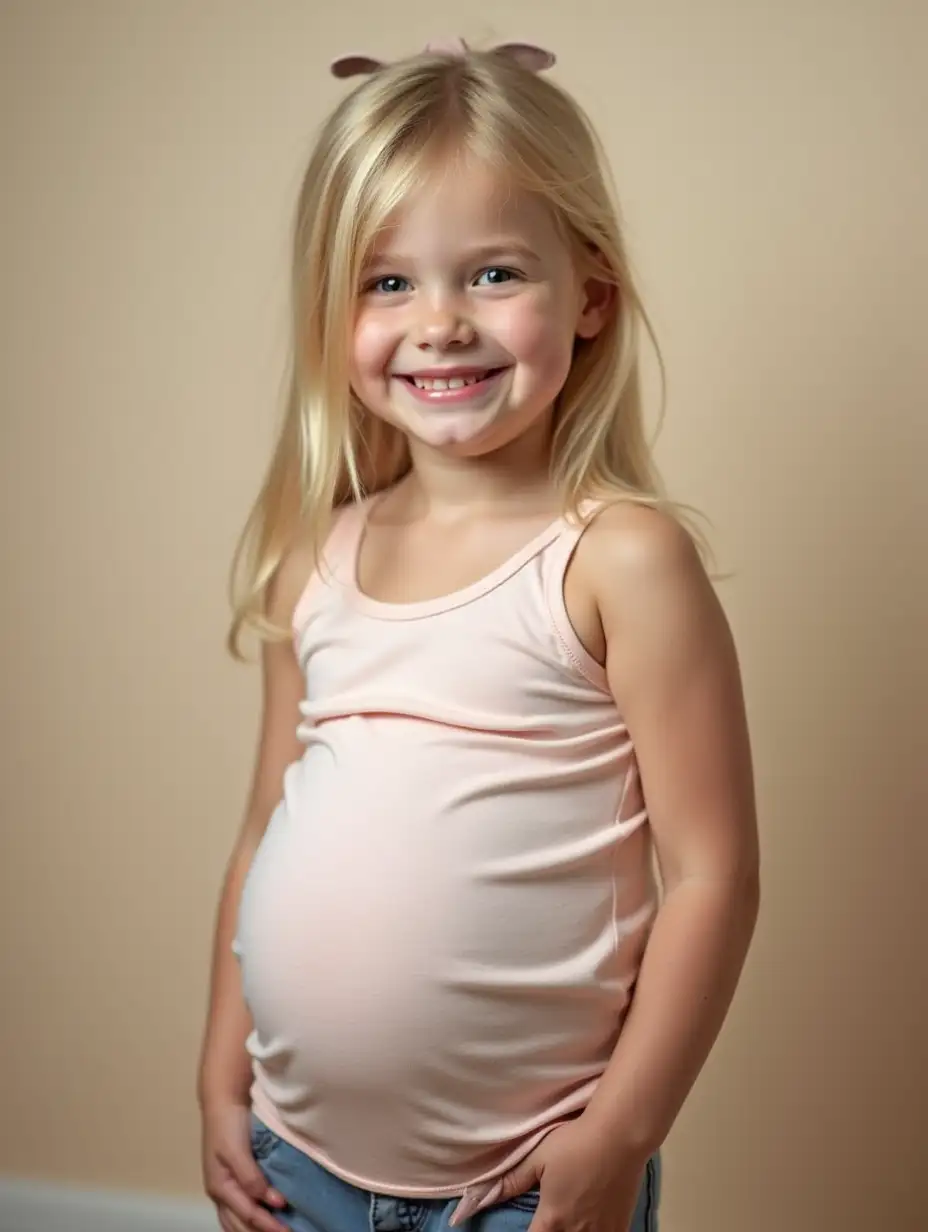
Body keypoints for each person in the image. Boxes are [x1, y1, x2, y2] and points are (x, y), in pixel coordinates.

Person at [197, 36, 760, 1232]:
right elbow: (262, 832)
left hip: (514, 1185)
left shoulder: (618, 560)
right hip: (295, 1156)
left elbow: (711, 874)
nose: (439, 322)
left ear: (592, 295)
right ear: (331, 313)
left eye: (494, 273)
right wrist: (217, 1067)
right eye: (388, 282)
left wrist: (621, 1133)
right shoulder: (319, 554)